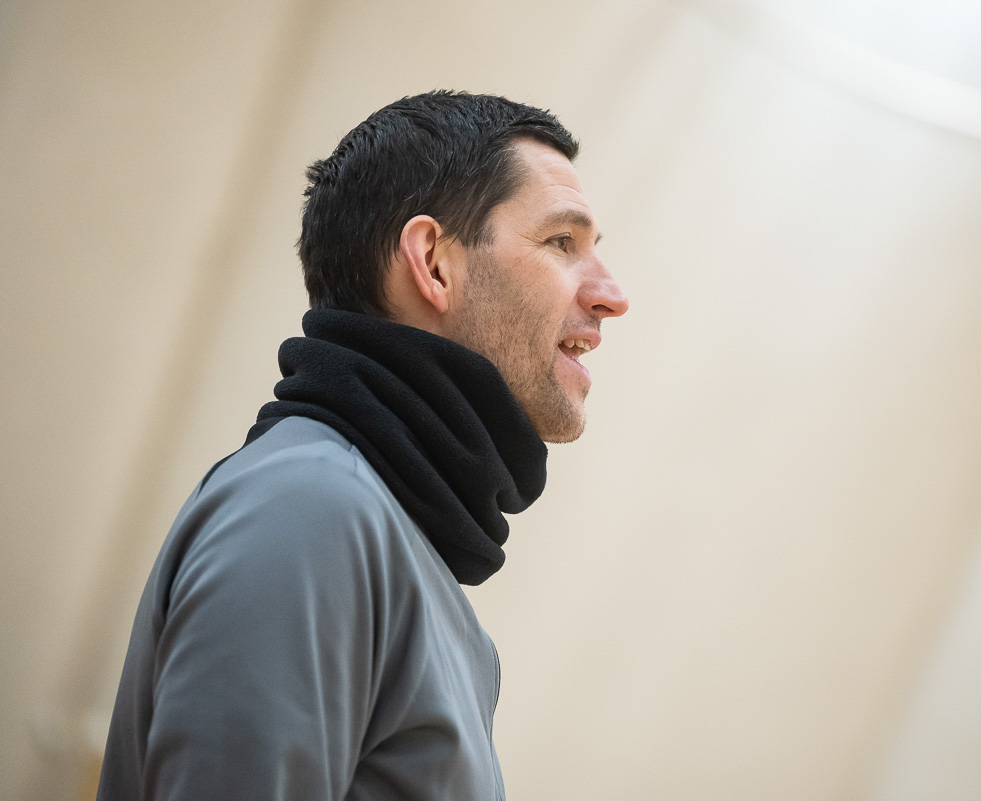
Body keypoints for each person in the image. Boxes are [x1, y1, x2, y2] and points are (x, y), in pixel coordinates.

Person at [96, 91, 629, 800]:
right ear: (433, 263)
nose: (611, 294)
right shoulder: (309, 508)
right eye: (562, 241)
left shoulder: (378, 529)